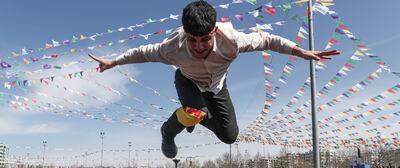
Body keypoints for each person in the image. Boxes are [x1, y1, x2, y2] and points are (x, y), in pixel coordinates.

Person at [89, 0, 339, 158]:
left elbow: (268, 39)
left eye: (204, 39)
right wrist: (114, 61)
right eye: (192, 39)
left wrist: (301, 51)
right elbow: (141, 52)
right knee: (194, 111)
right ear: (185, 35)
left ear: (215, 32)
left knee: (230, 136)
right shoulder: (172, 48)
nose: (198, 46)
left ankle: (194, 114)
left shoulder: (232, 40)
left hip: (218, 86)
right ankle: (168, 130)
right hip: (188, 81)